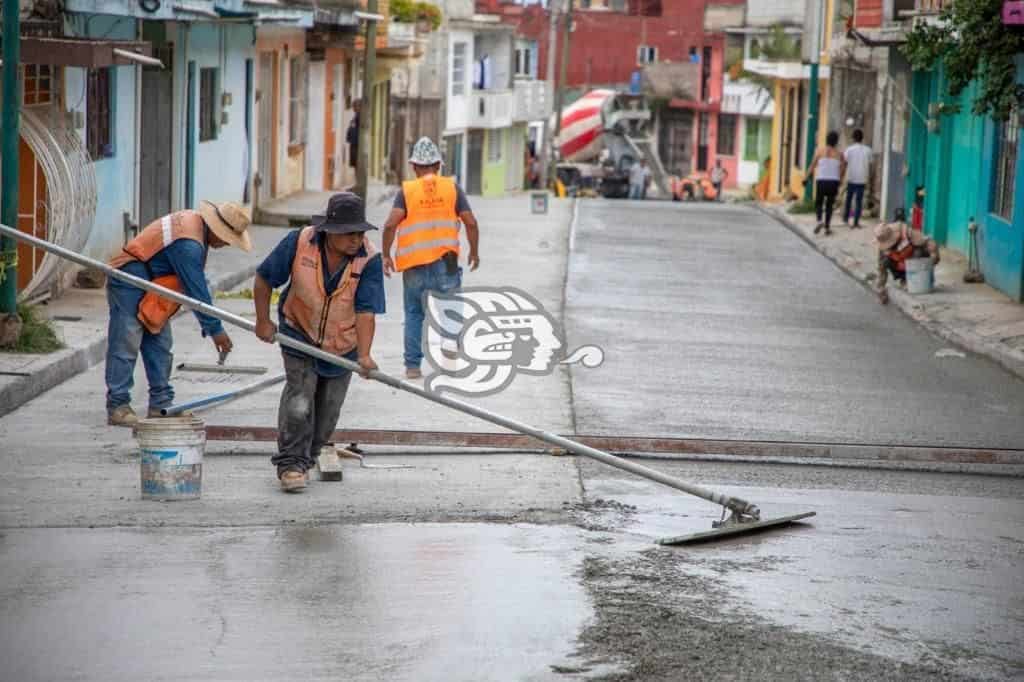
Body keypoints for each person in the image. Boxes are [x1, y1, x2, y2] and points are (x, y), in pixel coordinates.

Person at [253, 192, 385, 492]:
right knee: (300, 401)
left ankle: (308, 456)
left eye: (360, 233)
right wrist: (262, 320)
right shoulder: (299, 242)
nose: (356, 240)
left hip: (343, 343)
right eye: (348, 233)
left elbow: (366, 311)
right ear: (329, 231)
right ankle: (290, 464)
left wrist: (364, 355)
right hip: (298, 331)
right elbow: (264, 278)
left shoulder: (370, 259)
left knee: (328, 412)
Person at [105, 202, 252, 427]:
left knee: (160, 344)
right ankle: (118, 405)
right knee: (126, 341)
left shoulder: (196, 228)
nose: (224, 245)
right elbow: (196, 291)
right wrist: (216, 330)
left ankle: (161, 404)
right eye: (226, 239)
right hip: (130, 278)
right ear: (216, 230)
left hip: (153, 283)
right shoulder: (189, 245)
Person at [381, 137, 480, 379]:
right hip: (445, 263)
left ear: (414, 166)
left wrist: (385, 255)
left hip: (414, 265)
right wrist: (474, 252)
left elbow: (390, 224)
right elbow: (471, 223)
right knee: (451, 308)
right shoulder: (452, 188)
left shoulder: (407, 191)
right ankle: (448, 358)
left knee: (414, 314)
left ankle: (413, 367)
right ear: (438, 165)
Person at [874, 215, 939, 305]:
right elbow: (881, 268)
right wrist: (880, 287)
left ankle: (919, 280)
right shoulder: (883, 247)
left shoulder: (906, 232)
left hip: (914, 261)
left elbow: (928, 241)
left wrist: (934, 256)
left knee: (918, 252)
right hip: (900, 265)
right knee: (885, 261)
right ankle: (904, 279)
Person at [808, 130, 846, 236]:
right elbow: (842, 169)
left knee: (819, 203)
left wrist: (806, 178)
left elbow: (812, 165)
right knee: (829, 205)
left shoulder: (820, 151)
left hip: (821, 180)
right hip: (833, 181)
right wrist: (840, 180)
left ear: (826, 140)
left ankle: (819, 220)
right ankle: (827, 228)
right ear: (836, 142)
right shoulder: (840, 154)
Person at [843, 129, 872, 228]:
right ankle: (856, 222)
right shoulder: (868, 150)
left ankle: (846, 219)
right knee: (858, 201)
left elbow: (845, 163)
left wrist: (843, 176)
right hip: (862, 179)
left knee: (848, 199)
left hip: (851, 177)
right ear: (862, 138)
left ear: (853, 138)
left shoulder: (849, 149)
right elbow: (870, 164)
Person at [346, 100, 361, 169]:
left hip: (356, 143)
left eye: (355, 106)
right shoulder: (356, 115)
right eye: (353, 106)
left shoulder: (360, 116)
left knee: (356, 163)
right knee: (354, 163)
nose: (353, 108)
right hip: (353, 142)